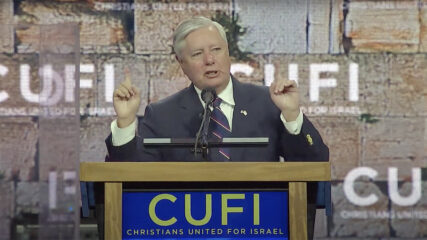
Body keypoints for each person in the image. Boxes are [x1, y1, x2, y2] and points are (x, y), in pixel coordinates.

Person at [105, 16, 329, 239]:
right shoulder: (162, 114)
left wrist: (291, 115)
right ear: (181, 63)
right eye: (197, 54)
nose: (210, 60)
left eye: (216, 49)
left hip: (261, 227)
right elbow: (130, 185)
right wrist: (125, 122)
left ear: (228, 53)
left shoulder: (268, 102)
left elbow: (316, 163)